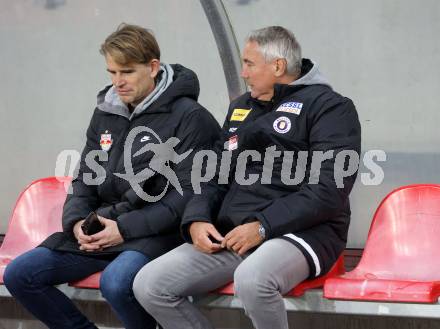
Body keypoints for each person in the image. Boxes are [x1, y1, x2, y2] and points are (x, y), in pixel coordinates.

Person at [132, 26, 361, 329]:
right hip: (237, 234)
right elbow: (214, 172)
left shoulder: (330, 107)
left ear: (278, 66)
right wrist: (197, 218)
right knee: (149, 284)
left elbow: (328, 190)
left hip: (304, 233)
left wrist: (264, 226)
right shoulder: (241, 107)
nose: (243, 73)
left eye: (250, 64)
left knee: (252, 280)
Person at [3, 23, 220, 329]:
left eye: (127, 72)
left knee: (117, 284)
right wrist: (77, 223)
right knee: (21, 275)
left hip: (158, 233)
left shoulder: (190, 117)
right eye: (112, 72)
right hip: (103, 229)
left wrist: (123, 229)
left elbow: (188, 196)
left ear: (153, 67)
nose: (118, 82)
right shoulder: (106, 111)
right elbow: (85, 178)